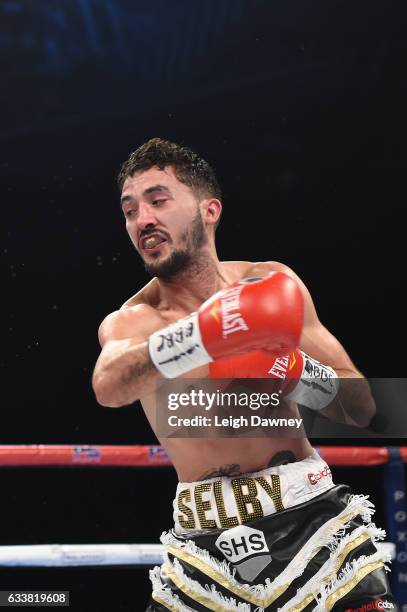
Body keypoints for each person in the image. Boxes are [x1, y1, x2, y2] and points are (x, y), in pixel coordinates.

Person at [92, 138, 398, 611]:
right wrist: (209, 334)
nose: (142, 220)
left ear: (209, 210)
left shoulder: (271, 282)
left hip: (314, 526)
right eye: (129, 210)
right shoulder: (131, 320)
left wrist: (291, 370)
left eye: (158, 200)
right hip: (206, 553)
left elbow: (362, 409)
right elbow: (109, 385)